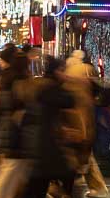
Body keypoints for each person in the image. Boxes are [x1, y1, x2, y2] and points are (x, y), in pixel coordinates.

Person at [22, 56, 77, 198]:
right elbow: (69, 100)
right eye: (62, 70)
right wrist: (70, 82)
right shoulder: (50, 88)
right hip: (44, 144)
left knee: (37, 185)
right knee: (62, 174)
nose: (64, 74)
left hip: (37, 142)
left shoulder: (40, 85)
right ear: (56, 71)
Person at [65, 50, 109, 198]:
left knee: (78, 154)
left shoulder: (66, 72)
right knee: (85, 153)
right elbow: (99, 88)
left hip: (72, 118)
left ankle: (74, 185)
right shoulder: (89, 70)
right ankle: (96, 186)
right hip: (86, 115)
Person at [0, 45, 31, 198]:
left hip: (14, 143)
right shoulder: (22, 83)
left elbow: (7, 118)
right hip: (21, 143)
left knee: (3, 188)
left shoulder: (8, 81)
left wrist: (1, 148)